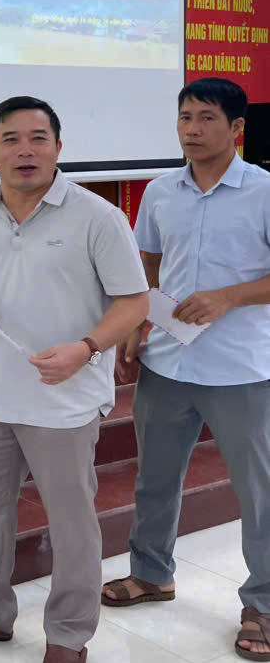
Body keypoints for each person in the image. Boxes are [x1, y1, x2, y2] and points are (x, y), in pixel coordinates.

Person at [0, 95, 149, 663]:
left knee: (72, 524)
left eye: (38, 138)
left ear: (58, 147)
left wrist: (87, 348)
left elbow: (134, 301)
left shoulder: (96, 216)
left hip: (63, 400)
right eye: (11, 139)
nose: (25, 150)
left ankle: (69, 635)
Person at [103, 78, 270, 661]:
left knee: (259, 491)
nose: (192, 130)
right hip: (168, 360)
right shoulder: (159, 191)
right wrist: (136, 320)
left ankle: (264, 604)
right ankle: (152, 573)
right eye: (185, 118)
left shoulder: (263, 191)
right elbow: (147, 265)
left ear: (236, 128)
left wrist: (229, 297)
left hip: (241, 368)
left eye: (206, 118)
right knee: (154, 478)